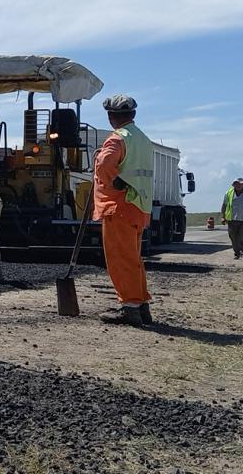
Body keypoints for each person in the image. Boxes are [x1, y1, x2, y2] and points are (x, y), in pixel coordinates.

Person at [92, 94, 155, 326]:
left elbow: (104, 165)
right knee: (133, 258)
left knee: (120, 259)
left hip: (119, 206)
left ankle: (129, 307)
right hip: (140, 207)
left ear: (111, 117)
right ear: (134, 115)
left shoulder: (117, 139)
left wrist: (114, 180)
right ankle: (140, 305)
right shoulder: (143, 139)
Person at [221, 178, 243, 260]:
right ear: (234, 184)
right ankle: (237, 253)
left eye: (240, 184)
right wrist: (223, 217)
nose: (238, 185)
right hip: (231, 220)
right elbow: (224, 205)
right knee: (233, 237)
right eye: (236, 183)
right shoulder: (228, 193)